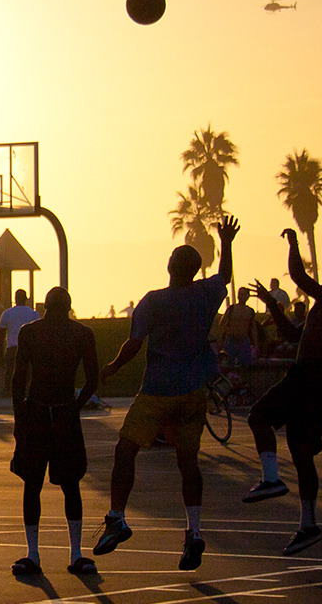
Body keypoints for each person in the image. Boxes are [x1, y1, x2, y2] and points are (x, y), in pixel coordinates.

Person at [95, 215, 239, 571]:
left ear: (169, 266)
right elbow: (225, 277)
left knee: (125, 450)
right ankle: (193, 531)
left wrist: (110, 369)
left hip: (158, 389)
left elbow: (133, 344)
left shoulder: (154, 301)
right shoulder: (206, 294)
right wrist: (228, 242)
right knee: (187, 463)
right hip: (194, 391)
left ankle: (117, 517)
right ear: (195, 269)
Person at [242, 231, 322, 555]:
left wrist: (294, 244)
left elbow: (297, 275)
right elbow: (293, 335)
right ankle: (308, 525)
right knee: (302, 453)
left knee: (258, 417)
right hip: (318, 380)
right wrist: (273, 307)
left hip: (310, 376)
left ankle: (271, 479)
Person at [9, 287, 99, 577]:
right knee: (69, 484)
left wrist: (19, 414)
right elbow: (93, 378)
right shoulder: (81, 333)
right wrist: (76, 405)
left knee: (32, 484)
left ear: (44, 307)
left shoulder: (30, 332)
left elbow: (18, 377)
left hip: (37, 410)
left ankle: (34, 553)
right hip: (62, 412)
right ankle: (75, 552)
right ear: (69, 307)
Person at [0, 289, 41, 396]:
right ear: (26, 299)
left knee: (10, 371)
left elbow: (1, 336)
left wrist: (1, 354)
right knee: (28, 373)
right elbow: (38, 335)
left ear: (15, 299)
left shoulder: (7, 313)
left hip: (12, 347)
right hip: (28, 348)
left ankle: (8, 392)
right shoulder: (33, 314)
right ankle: (27, 394)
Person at [219, 287, 259, 369]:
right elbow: (222, 323)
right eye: (240, 294)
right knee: (229, 365)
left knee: (245, 365)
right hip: (231, 340)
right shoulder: (232, 308)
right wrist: (228, 332)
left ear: (248, 296)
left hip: (244, 340)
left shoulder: (250, 311)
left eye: (243, 294)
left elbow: (253, 329)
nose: (241, 296)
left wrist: (256, 344)